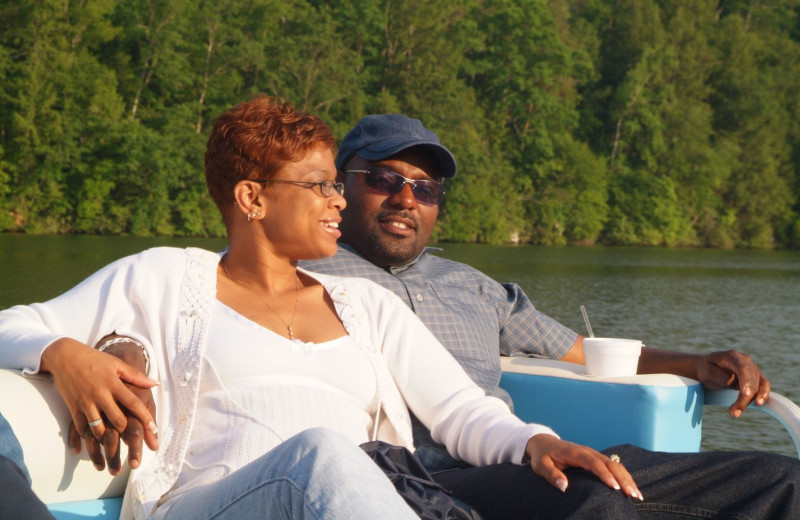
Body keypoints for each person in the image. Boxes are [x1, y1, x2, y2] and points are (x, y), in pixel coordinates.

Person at [0, 97, 645, 520]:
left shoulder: (365, 305)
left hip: (352, 498)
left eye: (337, 185)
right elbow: (10, 324)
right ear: (251, 197)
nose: (338, 200)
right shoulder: (167, 276)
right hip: (211, 504)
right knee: (325, 454)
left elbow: (460, 411)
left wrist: (538, 442)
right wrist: (64, 353)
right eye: (318, 186)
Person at [302, 113, 773, 470]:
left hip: (513, 463)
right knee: (605, 501)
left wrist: (697, 364)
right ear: (338, 185)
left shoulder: (477, 288)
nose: (407, 199)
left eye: (426, 189)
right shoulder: (299, 276)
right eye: (385, 180)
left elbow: (586, 352)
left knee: (776, 478)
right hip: (403, 477)